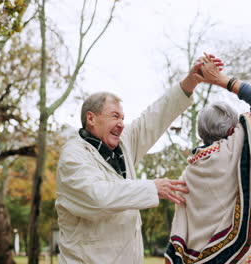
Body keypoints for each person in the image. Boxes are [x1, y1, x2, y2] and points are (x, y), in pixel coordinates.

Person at [55, 56, 224, 263]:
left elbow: (154, 117)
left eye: (123, 118)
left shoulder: (121, 146)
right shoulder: (73, 156)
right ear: (91, 118)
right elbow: (97, 197)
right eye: (115, 116)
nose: (122, 124)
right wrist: (152, 188)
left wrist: (191, 81)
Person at [165, 54, 251, 263]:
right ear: (233, 130)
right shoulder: (238, 147)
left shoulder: (189, 172)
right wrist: (219, 79)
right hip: (247, 254)